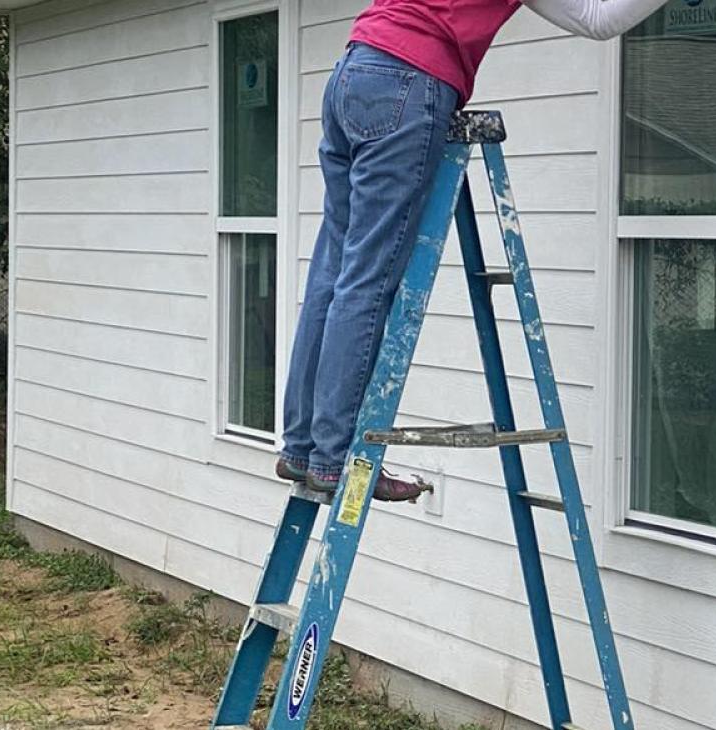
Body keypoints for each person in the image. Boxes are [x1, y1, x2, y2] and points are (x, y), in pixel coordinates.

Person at [276, 0, 671, 496]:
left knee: (333, 273)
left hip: (353, 73)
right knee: (367, 280)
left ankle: (301, 448)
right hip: (408, 80)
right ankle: (334, 461)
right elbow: (596, 18)